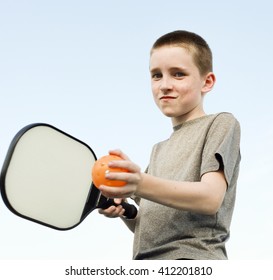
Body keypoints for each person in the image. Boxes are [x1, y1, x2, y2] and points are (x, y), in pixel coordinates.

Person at [98, 30, 241, 260]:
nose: (164, 85)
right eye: (156, 75)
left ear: (207, 82)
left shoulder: (220, 123)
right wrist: (125, 211)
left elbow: (210, 198)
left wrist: (138, 184)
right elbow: (149, 226)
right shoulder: (158, 150)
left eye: (178, 74)